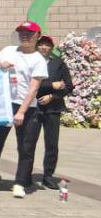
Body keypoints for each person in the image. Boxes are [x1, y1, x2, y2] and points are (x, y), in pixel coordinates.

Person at [0, 21, 48, 199]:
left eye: (29, 33)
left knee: (26, 147)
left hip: (27, 108)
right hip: (4, 105)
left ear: (38, 36)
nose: (24, 36)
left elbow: (34, 88)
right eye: (21, 32)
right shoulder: (8, 50)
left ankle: (20, 183)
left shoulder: (38, 60)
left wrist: (21, 111)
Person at [36, 34, 73, 190]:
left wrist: (52, 96)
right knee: (28, 143)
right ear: (36, 46)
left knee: (52, 143)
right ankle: (24, 175)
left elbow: (68, 86)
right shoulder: (31, 62)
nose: (44, 47)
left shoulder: (58, 63)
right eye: (41, 44)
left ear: (51, 47)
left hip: (53, 108)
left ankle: (48, 176)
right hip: (33, 108)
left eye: (47, 45)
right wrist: (52, 85)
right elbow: (30, 83)